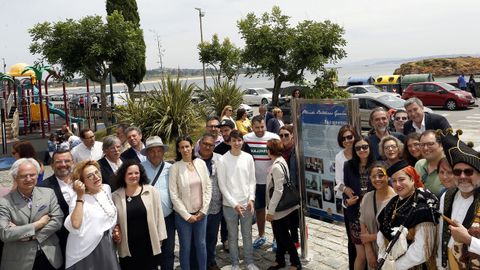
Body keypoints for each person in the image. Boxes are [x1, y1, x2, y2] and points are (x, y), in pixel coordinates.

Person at [0, 158, 64, 270]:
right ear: (15, 177)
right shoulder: (4, 202)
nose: (29, 179)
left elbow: (58, 220)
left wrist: (33, 236)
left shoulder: (48, 194)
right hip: (20, 261)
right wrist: (38, 224)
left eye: (32, 175)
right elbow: (5, 233)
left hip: (49, 257)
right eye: (23, 176)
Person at [376, 160, 438, 269]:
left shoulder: (423, 206)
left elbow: (422, 251)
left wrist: (394, 267)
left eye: (401, 179)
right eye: (394, 181)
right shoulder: (393, 203)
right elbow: (382, 234)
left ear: (412, 179)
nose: (397, 184)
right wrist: (382, 258)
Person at [64, 160, 120, 270]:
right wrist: (80, 197)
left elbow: (110, 215)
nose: (96, 177)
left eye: (97, 172)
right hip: (85, 251)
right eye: (90, 176)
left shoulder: (106, 188)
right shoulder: (77, 198)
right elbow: (75, 224)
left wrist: (116, 228)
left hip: (107, 245)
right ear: (82, 182)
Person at [436, 128, 480, 268]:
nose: (462, 176)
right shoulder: (447, 196)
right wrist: (441, 265)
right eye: (457, 172)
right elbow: (442, 233)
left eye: (468, 171)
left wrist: (468, 240)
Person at [112, 161, 166, 270]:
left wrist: (160, 238)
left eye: (136, 173)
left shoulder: (151, 191)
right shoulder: (115, 196)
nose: (134, 176)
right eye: (130, 173)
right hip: (128, 246)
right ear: (123, 175)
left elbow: (159, 216)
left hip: (149, 244)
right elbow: (114, 221)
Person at [217, 130, 259, 270]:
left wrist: (251, 199)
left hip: (247, 204)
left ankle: (249, 262)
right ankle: (235, 263)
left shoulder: (248, 157)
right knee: (232, 236)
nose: (237, 143)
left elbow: (252, 180)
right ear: (229, 142)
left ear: (243, 141)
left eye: (239, 140)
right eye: (234, 140)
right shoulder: (223, 160)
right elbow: (222, 185)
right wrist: (234, 204)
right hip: (230, 206)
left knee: (247, 235)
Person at [169, 135, 212, 270]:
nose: (185, 149)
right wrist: (187, 215)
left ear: (192, 146)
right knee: (185, 247)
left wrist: (203, 210)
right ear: (178, 150)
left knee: (201, 245)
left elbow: (208, 187)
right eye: (182, 147)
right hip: (183, 217)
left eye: (187, 146)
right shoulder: (175, 167)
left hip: (201, 214)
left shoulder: (201, 163)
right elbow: (173, 194)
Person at [243, 115, 280, 249]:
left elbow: (278, 157)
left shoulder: (274, 137)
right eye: (257, 127)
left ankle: (277, 238)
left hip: (271, 182)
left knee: (274, 211)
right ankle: (261, 235)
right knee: (259, 210)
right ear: (252, 127)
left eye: (262, 127)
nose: (260, 130)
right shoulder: (246, 139)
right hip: (255, 181)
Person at [265, 138, 301, 270]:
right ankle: (279, 260)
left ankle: (295, 262)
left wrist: (271, 211)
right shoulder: (281, 161)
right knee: (279, 235)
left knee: (284, 236)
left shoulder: (276, 166)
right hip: (282, 206)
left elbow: (278, 190)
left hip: (279, 208)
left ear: (270, 151)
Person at [140, 136, 175, 270]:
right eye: (152, 151)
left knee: (168, 252)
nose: (155, 154)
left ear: (163, 152)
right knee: (150, 253)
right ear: (147, 153)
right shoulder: (139, 169)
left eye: (158, 151)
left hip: (167, 218)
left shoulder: (170, 168)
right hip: (147, 219)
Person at [343, 136, 376, 270]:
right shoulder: (348, 166)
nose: (362, 150)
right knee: (361, 255)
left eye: (365, 147)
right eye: (358, 148)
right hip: (355, 216)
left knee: (374, 254)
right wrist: (347, 201)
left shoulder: (378, 165)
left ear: (369, 148)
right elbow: (346, 188)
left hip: (373, 215)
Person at [40, 150, 75, 268]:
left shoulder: (83, 180)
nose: (63, 164)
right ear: (52, 165)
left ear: (73, 162)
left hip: (86, 238)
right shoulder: (43, 187)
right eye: (58, 162)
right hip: (61, 242)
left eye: (67, 161)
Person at [358, 162, 395, 270]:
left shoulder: (397, 199)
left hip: (391, 252)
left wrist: (370, 237)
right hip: (372, 251)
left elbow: (397, 232)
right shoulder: (367, 197)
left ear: (388, 177)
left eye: (381, 175)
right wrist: (369, 251)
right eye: (374, 176)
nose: (377, 179)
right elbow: (362, 223)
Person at [196, 133, 223, 270]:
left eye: (211, 145)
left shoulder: (220, 160)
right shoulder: (192, 160)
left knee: (212, 236)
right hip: (197, 206)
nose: (207, 147)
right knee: (199, 239)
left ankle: (211, 261)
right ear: (200, 144)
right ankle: (199, 263)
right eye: (205, 144)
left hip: (215, 205)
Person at [334, 124, 358, 270]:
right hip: (349, 201)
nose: (347, 140)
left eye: (350, 137)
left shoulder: (361, 150)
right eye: (344, 138)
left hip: (365, 199)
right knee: (352, 238)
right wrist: (346, 189)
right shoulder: (339, 156)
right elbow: (338, 181)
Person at [279, 126, 300, 250]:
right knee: (285, 217)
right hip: (282, 188)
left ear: (292, 135)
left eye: (286, 135)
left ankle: (296, 241)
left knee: (294, 217)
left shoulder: (296, 150)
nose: (283, 138)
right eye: (281, 135)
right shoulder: (279, 150)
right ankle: (287, 242)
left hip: (294, 188)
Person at [415, 130, 445, 197]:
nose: (425, 148)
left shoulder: (450, 167)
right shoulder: (419, 165)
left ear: (441, 145)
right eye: (422, 145)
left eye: (430, 144)